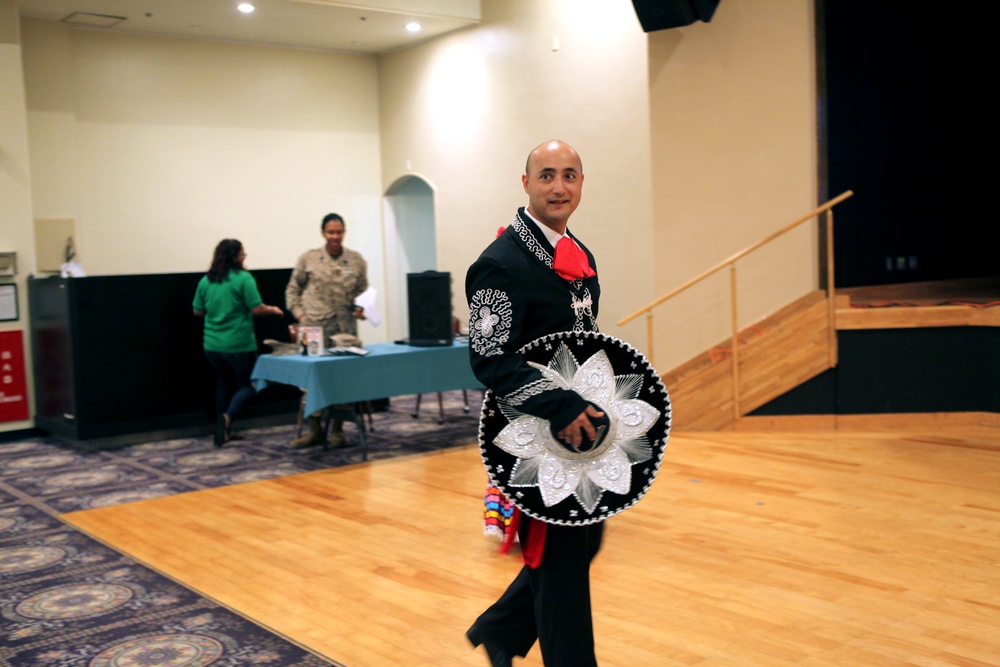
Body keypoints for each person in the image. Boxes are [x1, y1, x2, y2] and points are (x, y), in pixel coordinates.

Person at [465, 140, 605, 667]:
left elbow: (584, 345)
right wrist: (561, 406)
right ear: (525, 183)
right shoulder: (499, 264)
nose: (559, 186)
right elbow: (490, 360)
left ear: (582, 183)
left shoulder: (583, 255)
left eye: (570, 175)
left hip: (582, 436)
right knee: (563, 563)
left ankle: (500, 629)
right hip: (534, 436)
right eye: (547, 175)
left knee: (581, 544)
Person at [285, 213, 369, 448]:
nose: (335, 236)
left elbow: (362, 293)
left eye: (339, 232)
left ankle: (337, 431)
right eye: (331, 232)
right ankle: (315, 431)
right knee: (313, 381)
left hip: (345, 330)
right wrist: (301, 316)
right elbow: (292, 291)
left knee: (342, 379)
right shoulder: (309, 259)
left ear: (344, 232)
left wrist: (362, 308)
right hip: (315, 329)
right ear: (323, 233)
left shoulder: (356, 260)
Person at [193, 239, 283, 447]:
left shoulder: (207, 281)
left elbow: (197, 311)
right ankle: (227, 418)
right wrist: (272, 309)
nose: (244, 257)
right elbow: (256, 308)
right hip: (238, 344)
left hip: (212, 345)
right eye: (243, 254)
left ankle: (223, 430)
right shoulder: (244, 278)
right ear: (234, 257)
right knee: (249, 385)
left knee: (223, 385)